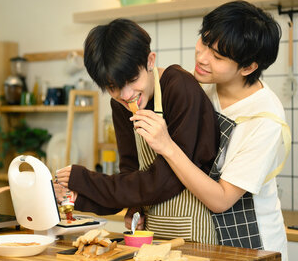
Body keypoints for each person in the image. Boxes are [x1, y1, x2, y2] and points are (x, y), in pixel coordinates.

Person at [130, 0, 289, 261]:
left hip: (251, 255)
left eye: (217, 56)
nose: (202, 57)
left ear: (248, 66)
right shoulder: (200, 87)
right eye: (203, 42)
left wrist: (166, 145)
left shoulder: (264, 119)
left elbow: (220, 199)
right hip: (205, 246)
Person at [54, 18, 220, 243]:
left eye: (132, 80)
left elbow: (165, 180)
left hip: (192, 231)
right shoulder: (120, 105)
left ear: (150, 61)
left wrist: (86, 180)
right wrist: (133, 206)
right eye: (113, 87)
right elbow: (131, 173)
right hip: (150, 231)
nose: (126, 95)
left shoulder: (180, 87)